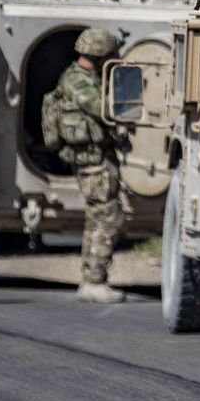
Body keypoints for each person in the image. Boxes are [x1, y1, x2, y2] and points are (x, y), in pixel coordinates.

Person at [44, 27, 129, 303]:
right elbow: (102, 108)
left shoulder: (82, 77)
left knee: (97, 217)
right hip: (91, 160)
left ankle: (91, 279)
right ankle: (94, 280)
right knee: (108, 216)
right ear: (102, 53)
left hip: (96, 158)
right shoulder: (78, 81)